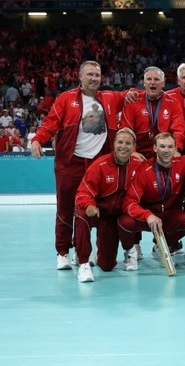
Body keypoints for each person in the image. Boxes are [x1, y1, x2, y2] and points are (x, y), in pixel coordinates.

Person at [31, 60, 133, 270]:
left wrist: (134, 93)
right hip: (70, 163)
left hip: (99, 164)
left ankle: (83, 251)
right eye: (90, 75)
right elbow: (50, 122)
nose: (94, 78)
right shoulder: (66, 99)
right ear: (80, 77)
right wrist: (37, 140)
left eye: (97, 75)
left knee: (95, 210)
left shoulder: (110, 97)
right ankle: (62, 252)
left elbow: (133, 94)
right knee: (66, 208)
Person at [73, 128, 142, 282]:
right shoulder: (100, 165)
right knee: (82, 214)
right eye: (120, 142)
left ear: (133, 147)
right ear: (114, 144)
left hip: (113, 218)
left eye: (127, 143)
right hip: (96, 211)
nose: (123, 146)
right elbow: (83, 192)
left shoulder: (138, 166)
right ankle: (83, 262)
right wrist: (89, 205)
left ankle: (121, 251)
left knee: (107, 265)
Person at [118, 133, 185, 271]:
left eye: (170, 146)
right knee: (125, 222)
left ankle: (161, 248)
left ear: (175, 149)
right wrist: (147, 215)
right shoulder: (143, 170)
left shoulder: (184, 163)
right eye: (162, 146)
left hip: (167, 216)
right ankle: (130, 251)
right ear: (154, 148)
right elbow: (128, 202)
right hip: (147, 219)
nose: (166, 150)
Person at [119, 66, 185, 160]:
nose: (152, 82)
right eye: (149, 79)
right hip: (138, 153)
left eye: (157, 79)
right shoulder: (133, 100)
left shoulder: (173, 103)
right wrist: (132, 152)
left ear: (163, 83)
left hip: (165, 152)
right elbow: (126, 129)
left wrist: (176, 149)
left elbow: (178, 130)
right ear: (144, 83)